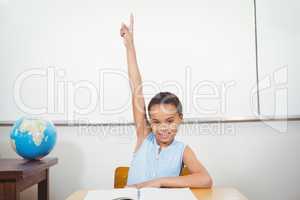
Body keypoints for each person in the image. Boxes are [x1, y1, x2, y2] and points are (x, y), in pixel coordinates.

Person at [120, 14, 213, 189]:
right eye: (156, 122)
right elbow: (136, 86)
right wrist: (130, 46)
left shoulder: (182, 150)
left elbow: (206, 180)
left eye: (170, 121)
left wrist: (159, 181)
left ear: (180, 119)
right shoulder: (144, 137)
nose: (163, 128)